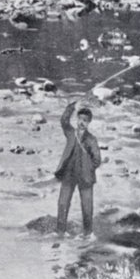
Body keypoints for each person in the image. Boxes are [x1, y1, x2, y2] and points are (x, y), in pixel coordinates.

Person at [54, 99, 101, 237]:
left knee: (87, 208)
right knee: (63, 204)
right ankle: (60, 232)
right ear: (77, 119)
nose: (82, 122)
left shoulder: (92, 140)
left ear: (89, 122)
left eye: (85, 120)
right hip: (68, 174)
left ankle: (87, 234)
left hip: (85, 177)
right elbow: (63, 121)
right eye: (80, 119)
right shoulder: (70, 133)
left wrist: (87, 168)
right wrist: (72, 106)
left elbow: (97, 160)